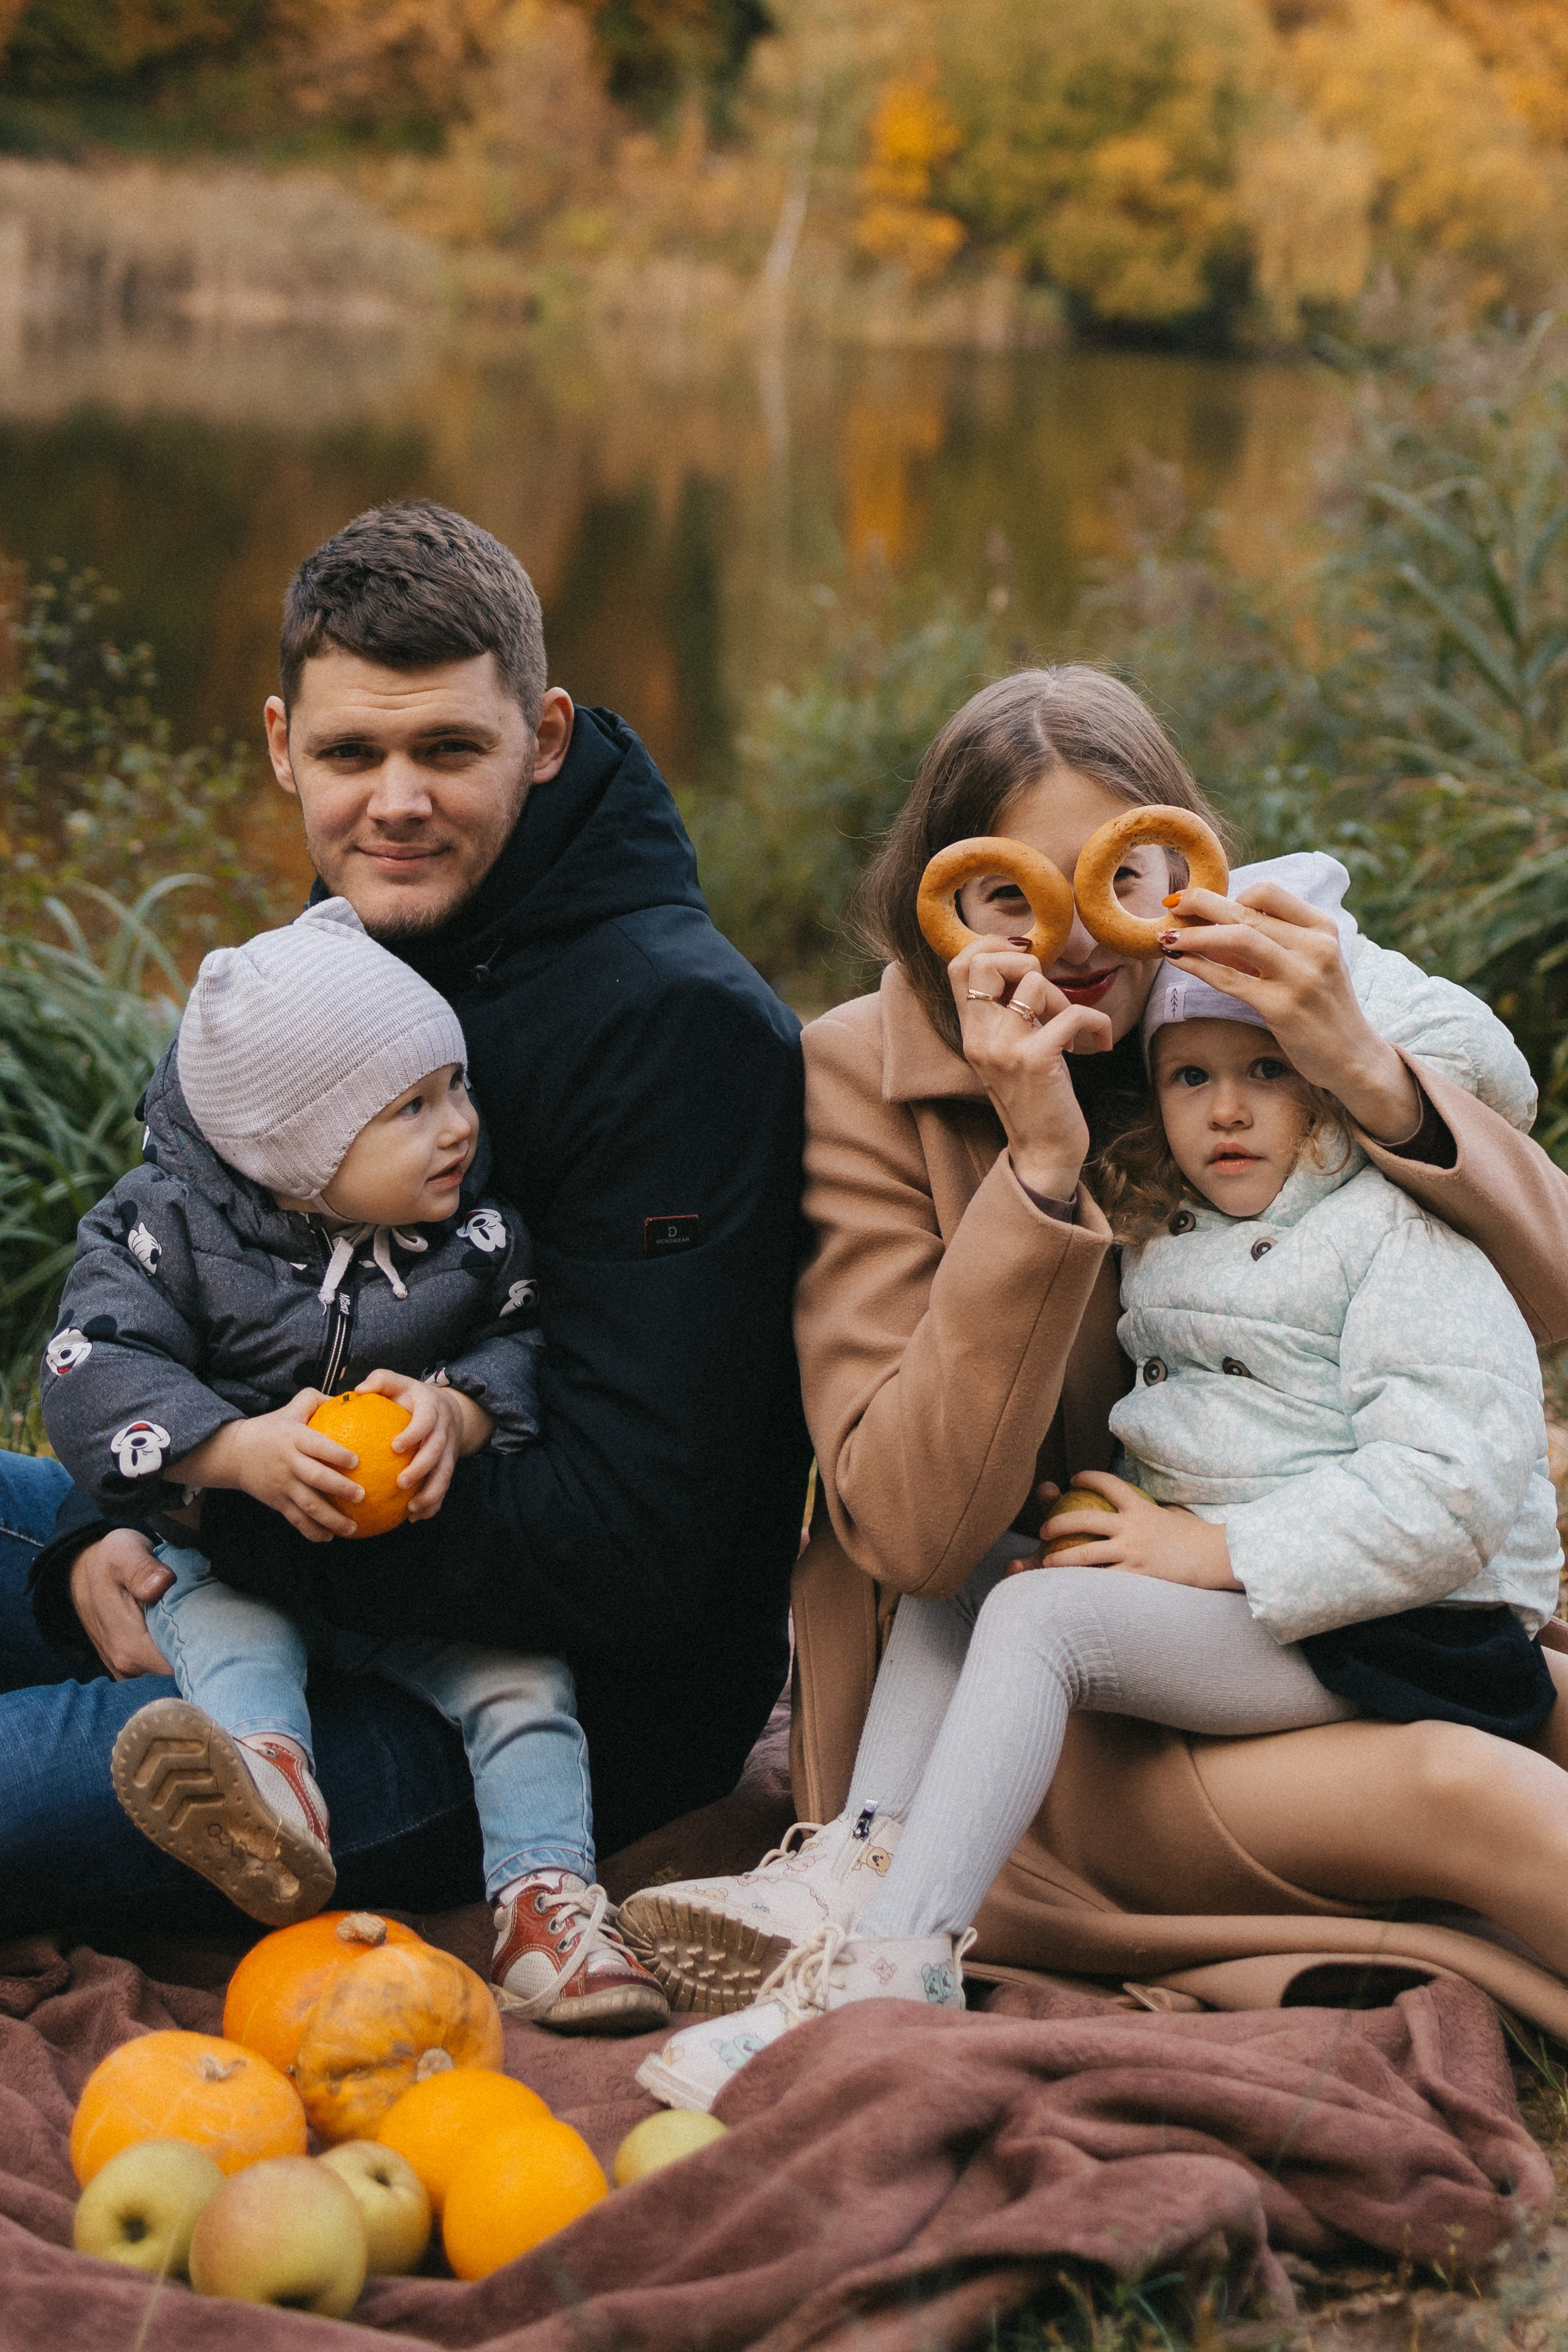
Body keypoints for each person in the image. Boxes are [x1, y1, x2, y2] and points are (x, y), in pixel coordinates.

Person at [618, 665, 1568, 2072]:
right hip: (1009, 1725)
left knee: (1511, 1722)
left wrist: (1361, 1070)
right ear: (942, 896)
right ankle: (873, 1911)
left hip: (1260, 1600)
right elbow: (920, 1529)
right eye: (1015, 894)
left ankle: (873, 1954)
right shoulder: (860, 1078)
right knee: (1463, 1786)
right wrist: (1039, 1167)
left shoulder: (1229, 1031)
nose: (1071, 937)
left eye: (1108, 875)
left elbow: (1532, 1306)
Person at [0, 500, 810, 1943]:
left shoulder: (682, 1035)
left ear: (544, 734)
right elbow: (177, 1248)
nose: (395, 801)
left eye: (449, 749)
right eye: (348, 754)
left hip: (527, 1703)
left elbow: (631, 1545)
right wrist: (99, 1534)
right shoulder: (359, 935)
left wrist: (198, 1502)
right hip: (256, 1554)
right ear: (278, 743)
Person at [42, 896, 667, 2030]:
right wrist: (232, 1449)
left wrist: (460, 1413)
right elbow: (92, 1364)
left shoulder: (469, 1235)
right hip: (239, 1560)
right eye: (411, 1108)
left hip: (428, 1577)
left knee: (526, 1685)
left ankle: (545, 1903)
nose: (459, 1127)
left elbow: (524, 1337)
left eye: (457, 1087)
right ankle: (270, 1796)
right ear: (299, 1149)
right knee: (239, 1644)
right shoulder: (168, 1233)